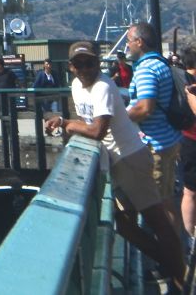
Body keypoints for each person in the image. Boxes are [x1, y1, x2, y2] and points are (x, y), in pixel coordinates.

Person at [46, 41, 186, 291]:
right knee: (119, 222)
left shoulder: (103, 87)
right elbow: (86, 122)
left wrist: (66, 123)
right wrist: (68, 123)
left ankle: (179, 278)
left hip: (130, 158)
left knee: (158, 223)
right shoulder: (77, 86)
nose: (86, 68)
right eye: (80, 64)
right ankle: (169, 264)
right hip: (114, 162)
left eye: (90, 63)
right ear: (71, 67)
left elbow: (97, 131)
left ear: (98, 64)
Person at [125, 21, 182, 211]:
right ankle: (175, 240)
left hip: (155, 145)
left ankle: (167, 241)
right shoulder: (161, 63)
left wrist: (118, 120)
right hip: (168, 139)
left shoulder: (146, 69)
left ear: (139, 42)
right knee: (166, 200)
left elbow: (145, 108)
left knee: (157, 206)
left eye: (129, 41)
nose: (127, 46)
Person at [179, 46, 196, 239]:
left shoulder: (180, 80)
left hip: (188, 140)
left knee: (190, 192)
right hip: (191, 140)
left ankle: (190, 237)